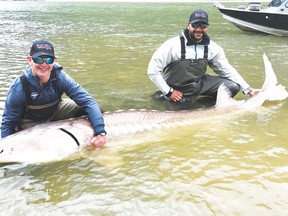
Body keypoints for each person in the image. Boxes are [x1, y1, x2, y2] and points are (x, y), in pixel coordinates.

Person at [1, 39, 106, 148]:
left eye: (48, 59)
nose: (44, 64)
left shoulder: (60, 77)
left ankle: (94, 137)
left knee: (95, 108)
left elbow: (88, 102)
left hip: (55, 111)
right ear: (30, 60)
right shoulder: (18, 87)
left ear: (54, 60)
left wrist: (100, 132)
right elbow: (8, 124)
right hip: (31, 121)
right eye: (39, 59)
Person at [147, 9, 259, 108]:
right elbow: (152, 71)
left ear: (207, 27)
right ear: (188, 25)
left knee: (232, 87)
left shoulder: (213, 48)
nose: (199, 29)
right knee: (177, 110)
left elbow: (227, 70)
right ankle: (173, 99)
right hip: (177, 90)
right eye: (195, 25)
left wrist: (249, 90)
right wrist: (169, 92)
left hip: (198, 85)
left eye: (203, 26)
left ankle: (205, 107)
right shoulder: (172, 45)